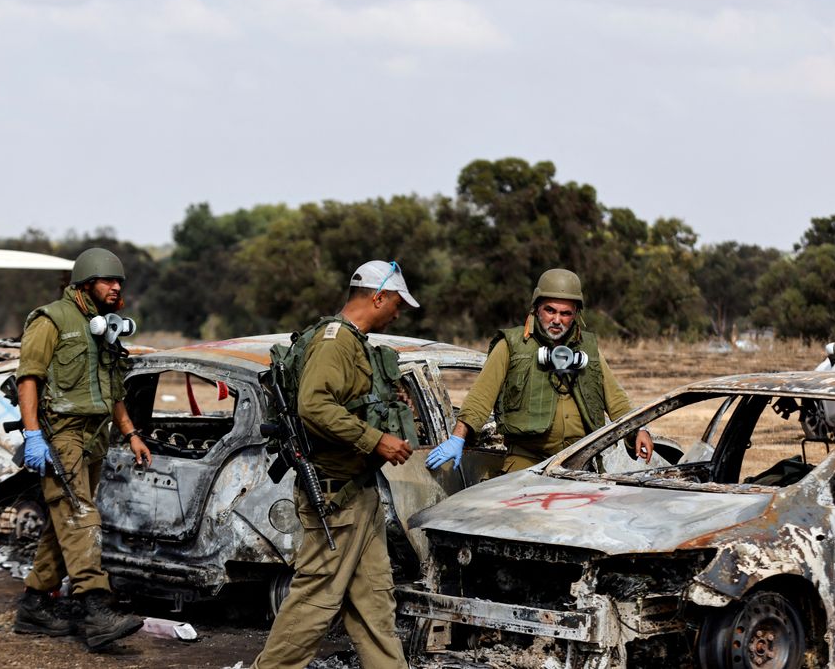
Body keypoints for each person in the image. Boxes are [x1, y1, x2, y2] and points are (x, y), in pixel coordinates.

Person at [252, 260, 419, 669]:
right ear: (377, 297)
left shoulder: (353, 341)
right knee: (316, 601)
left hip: (357, 493)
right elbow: (314, 406)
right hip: (335, 497)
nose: (398, 313)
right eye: (396, 303)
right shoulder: (335, 342)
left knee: (374, 599)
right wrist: (376, 439)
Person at [11, 247, 152, 650]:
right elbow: (29, 379)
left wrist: (130, 433)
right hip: (62, 433)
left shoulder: (103, 325)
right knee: (80, 515)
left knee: (66, 523)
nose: (116, 287)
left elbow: (114, 388)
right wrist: (34, 433)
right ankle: (94, 606)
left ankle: (35, 605)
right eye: (108, 281)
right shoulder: (51, 319)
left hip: (96, 435)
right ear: (87, 282)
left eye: (119, 282)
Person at [426, 268, 653, 475]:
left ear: (576, 315)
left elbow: (616, 400)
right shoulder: (512, 345)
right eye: (550, 310)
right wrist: (457, 438)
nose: (556, 320)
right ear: (536, 308)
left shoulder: (589, 350)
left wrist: (638, 430)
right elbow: (480, 398)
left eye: (565, 313)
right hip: (527, 463)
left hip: (579, 462)